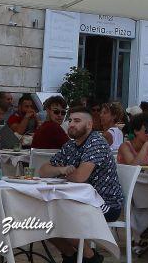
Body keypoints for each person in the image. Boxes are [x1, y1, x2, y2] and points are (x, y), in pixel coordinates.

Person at [40, 108, 123, 263]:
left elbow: (79, 177)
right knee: (40, 217)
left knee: (58, 215)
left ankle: (90, 258)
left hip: (105, 203)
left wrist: (63, 172)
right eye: (70, 120)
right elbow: (43, 171)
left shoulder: (96, 142)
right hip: (78, 200)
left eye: (77, 121)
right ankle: (72, 256)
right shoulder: (70, 146)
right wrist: (61, 169)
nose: (71, 124)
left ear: (89, 125)